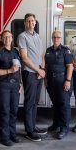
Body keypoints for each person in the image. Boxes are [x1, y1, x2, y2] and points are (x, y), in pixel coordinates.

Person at [17, 13, 47, 142]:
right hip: (29, 73)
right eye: (28, 21)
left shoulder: (38, 36)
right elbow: (24, 58)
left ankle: (33, 126)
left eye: (33, 21)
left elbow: (41, 55)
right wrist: (38, 70)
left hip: (38, 73)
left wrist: (42, 69)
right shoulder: (22, 37)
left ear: (35, 23)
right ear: (25, 23)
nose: (31, 23)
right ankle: (29, 131)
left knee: (35, 102)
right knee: (29, 103)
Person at [0, 30, 21, 146]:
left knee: (14, 111)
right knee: (4, 112)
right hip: (3, 86)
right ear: (1, 39)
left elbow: (19, 69)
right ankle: (4, 137)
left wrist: (20, 83)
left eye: (9, 37)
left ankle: (12, 134)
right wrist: (9, 70)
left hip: (15, 86)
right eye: (5, 37)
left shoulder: (15, 52)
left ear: (12, 38)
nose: (7, 39)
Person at [45, 30, 73, 139]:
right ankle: (56, 124)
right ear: (52, 38)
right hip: (51, 82)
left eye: (58, 37)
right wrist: (45, 79)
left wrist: (68, 80)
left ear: (61, 39)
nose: (56, 39)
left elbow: (70, 66)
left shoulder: (66, 51)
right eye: (54, 37)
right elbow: (46, 66)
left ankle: (64, 128)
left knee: (64, 105)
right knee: (55, 104)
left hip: (62, 81)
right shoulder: (48, 51)